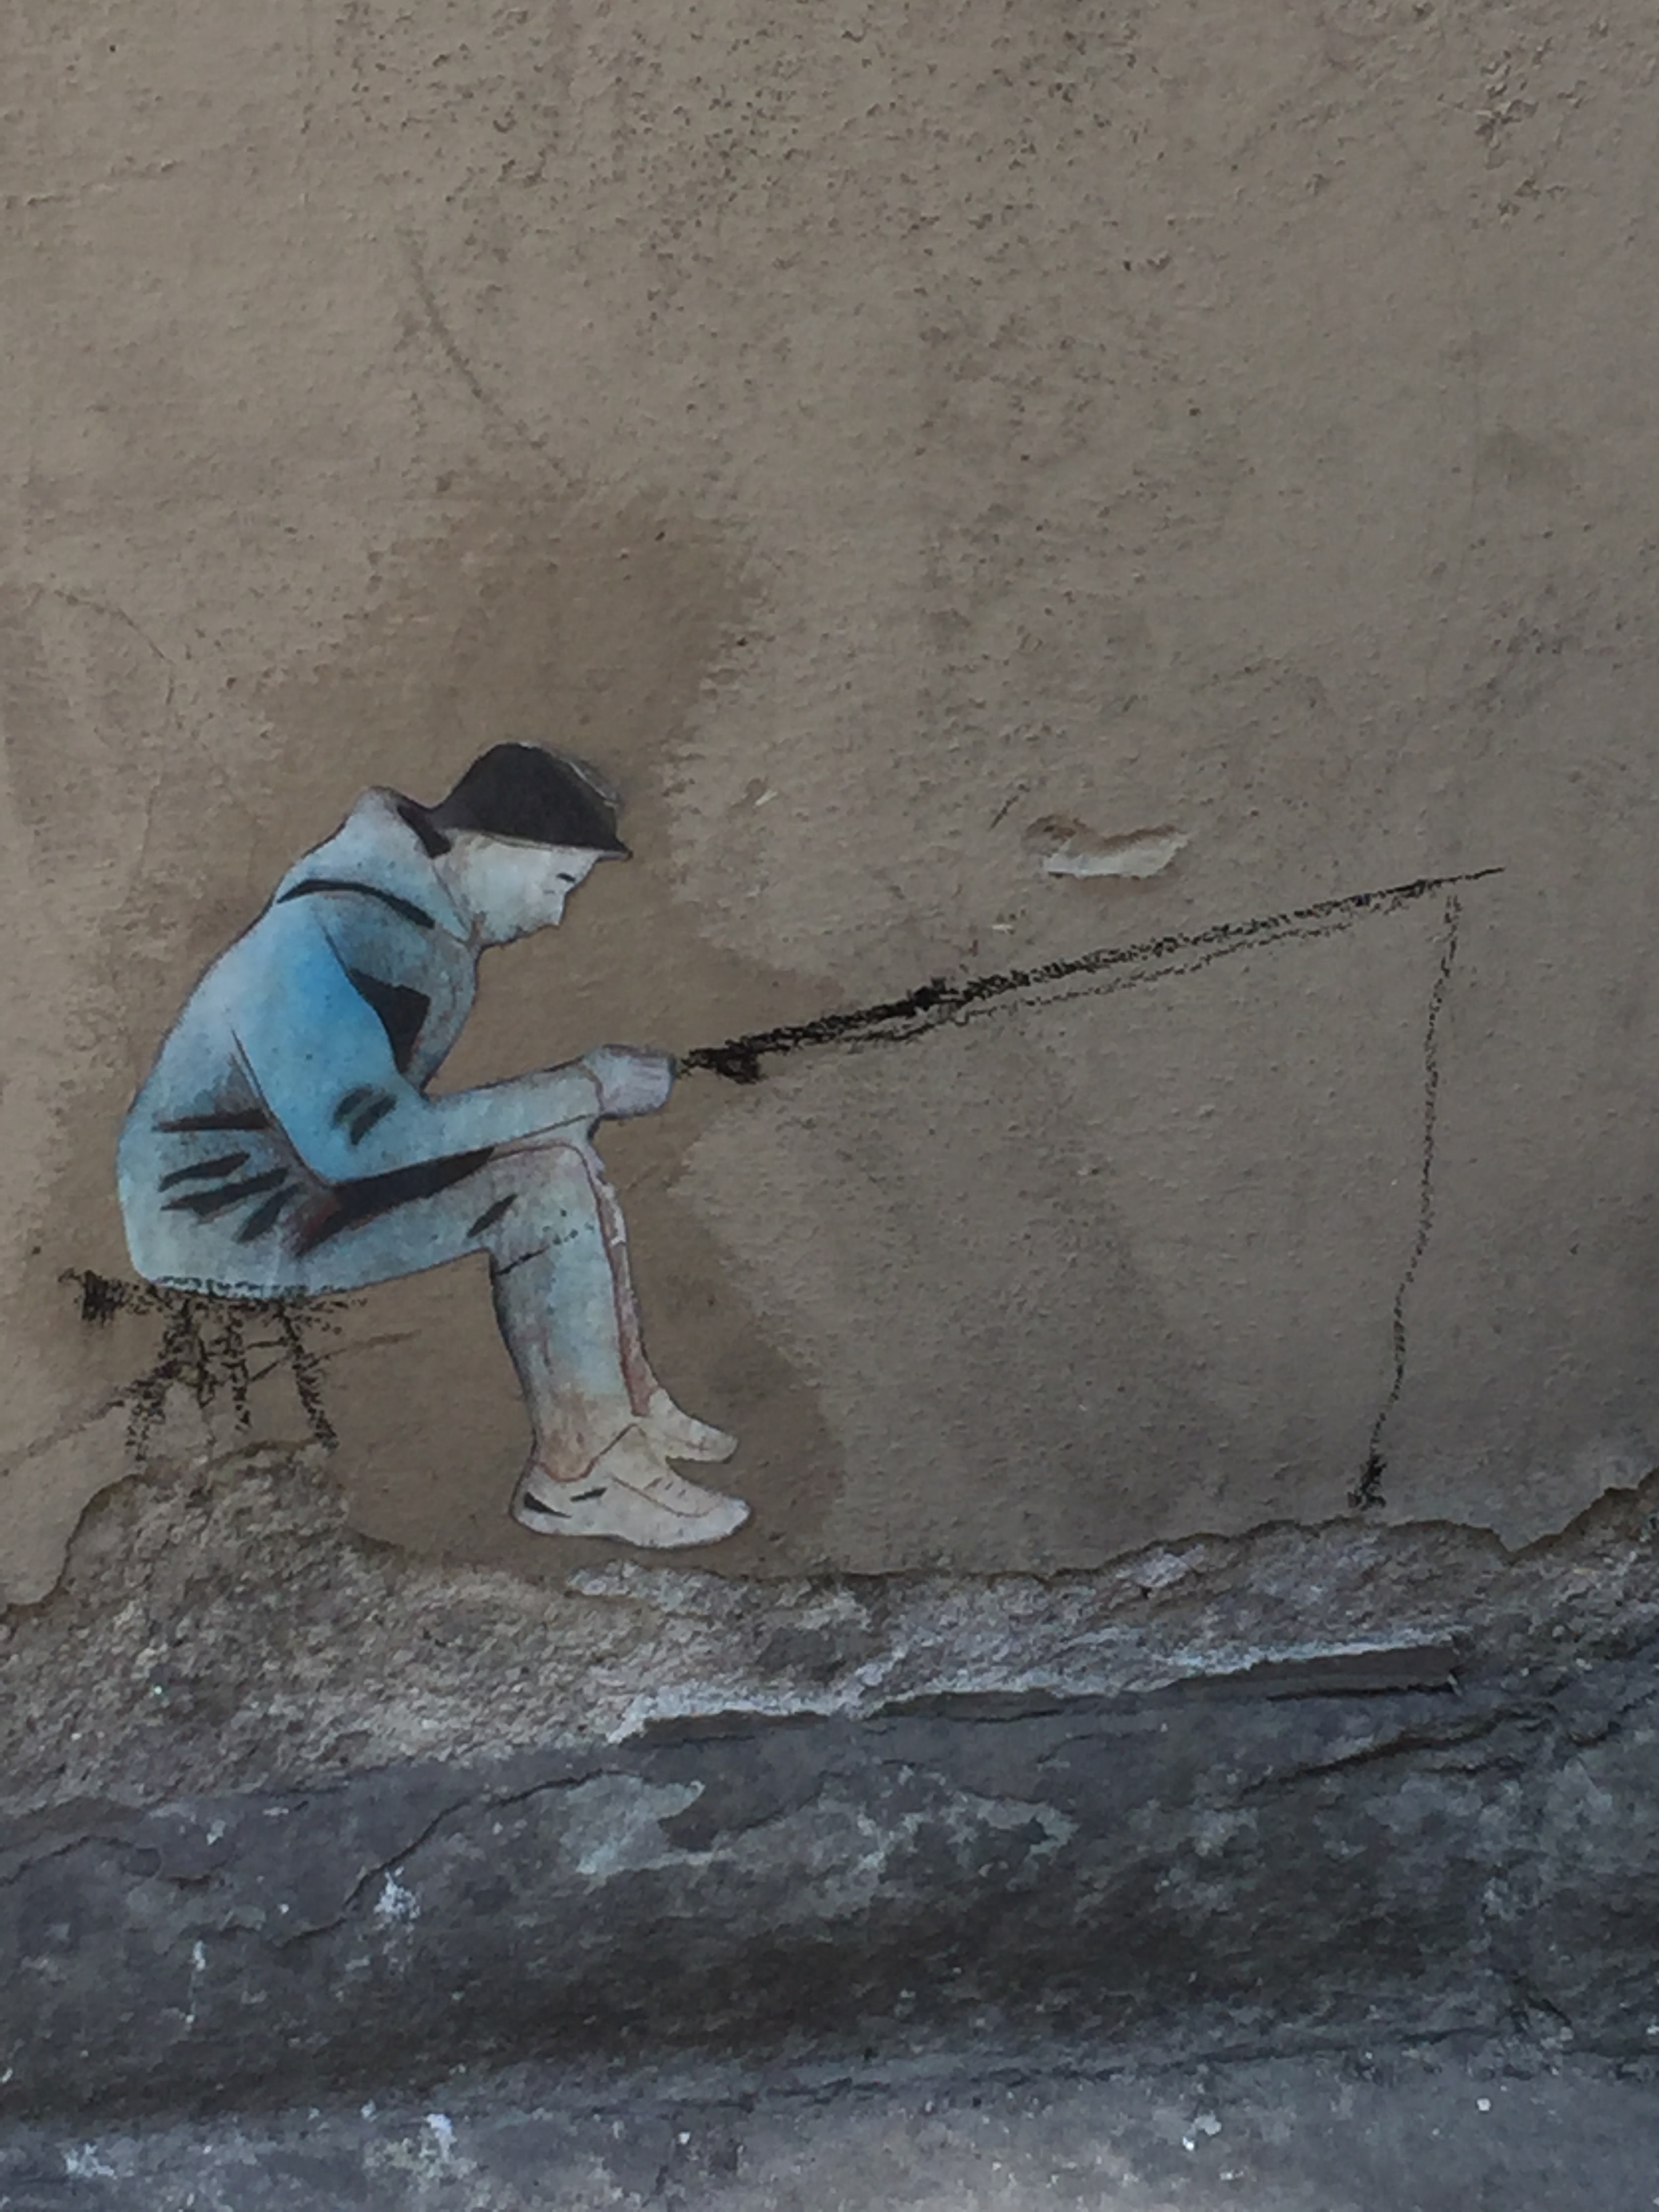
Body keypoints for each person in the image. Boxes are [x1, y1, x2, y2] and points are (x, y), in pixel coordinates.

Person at [117, 742, 748, 1549]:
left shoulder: (413, 922)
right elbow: (359, 1142)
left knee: (558, 1156)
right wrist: (585, 1088)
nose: (556, 915)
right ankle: (578, 1479)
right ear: (490, 847)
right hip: (225, 1218)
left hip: (292, 1184)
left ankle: (623, 1405)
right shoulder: (320, 933)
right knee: (544, 1189)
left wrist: (570, 1106)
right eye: (559, 882)